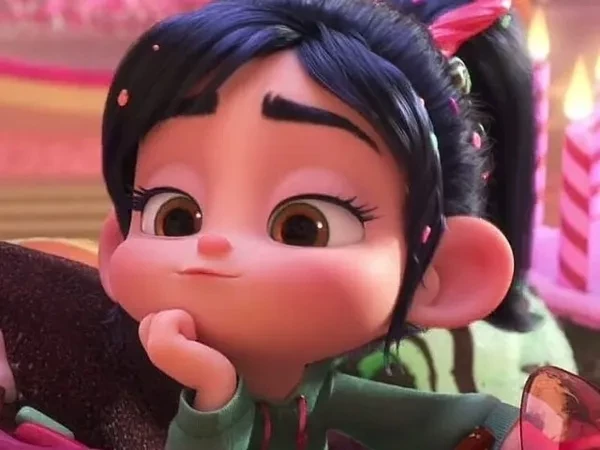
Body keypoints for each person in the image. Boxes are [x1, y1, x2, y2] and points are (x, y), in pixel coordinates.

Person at [97, 0, 529, 448]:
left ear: (438, 273)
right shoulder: (106, 393)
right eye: (176, 218)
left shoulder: (339, 403)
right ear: (115, 244)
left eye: (302, 224)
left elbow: (478, 422)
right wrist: (212, 396)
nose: (215, 243)